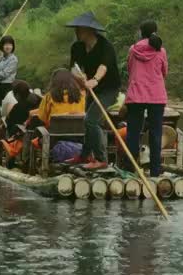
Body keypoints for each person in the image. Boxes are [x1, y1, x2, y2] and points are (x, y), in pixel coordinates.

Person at [67, 12, 121, 165]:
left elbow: (103, 67)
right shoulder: (77, 47)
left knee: (91, 120)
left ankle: (100, 159)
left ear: (90, 30)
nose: (76, 32)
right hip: (91, 89)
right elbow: (73, 69)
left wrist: (95, 80)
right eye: (76, 29)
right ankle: (85, 156)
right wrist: (80, 77)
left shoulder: (106, 46)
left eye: (80, 29)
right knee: (88, 122)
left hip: (109, 89)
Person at [124, 21, 169, 177]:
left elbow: (130, 70)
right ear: (155, 32)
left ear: (140, 32)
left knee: (133, 133)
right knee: (156, 134)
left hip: (136, 95)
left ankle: (131, 170)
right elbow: (164, 72)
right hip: (156, 95)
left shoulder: (133, 49)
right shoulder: (161, 51)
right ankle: (155, 172)